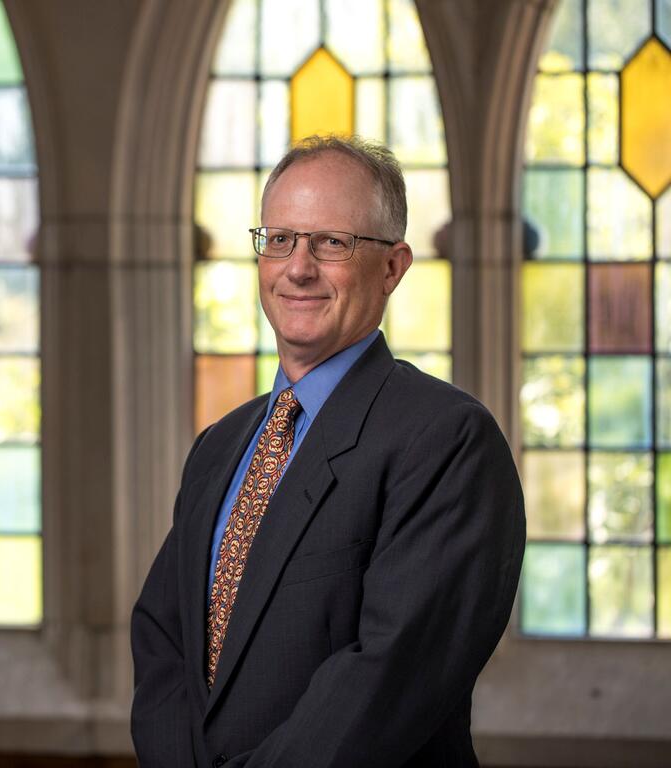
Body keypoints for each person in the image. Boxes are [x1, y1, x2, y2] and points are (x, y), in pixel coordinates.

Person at [130, 135, 525, 767]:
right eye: (279, 239)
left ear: (393, 267)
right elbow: (162, 641)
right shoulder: (219, 446)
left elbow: (388, 680)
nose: (298, 267)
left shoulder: (448, 442)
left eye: (331, 243)